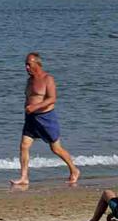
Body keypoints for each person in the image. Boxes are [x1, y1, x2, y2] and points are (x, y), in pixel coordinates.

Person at [10, 52, 79, 186]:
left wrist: (35, 106)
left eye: (29, 65)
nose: (26, 68)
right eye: (25, 65)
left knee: (56, 148)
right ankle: (24, 177)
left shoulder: (48, 79)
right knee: (24, 146)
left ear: (37, 64)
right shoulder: (29, 80)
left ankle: (74, 170)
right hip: (30, 119)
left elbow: (52, 99)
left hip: (46, 118)